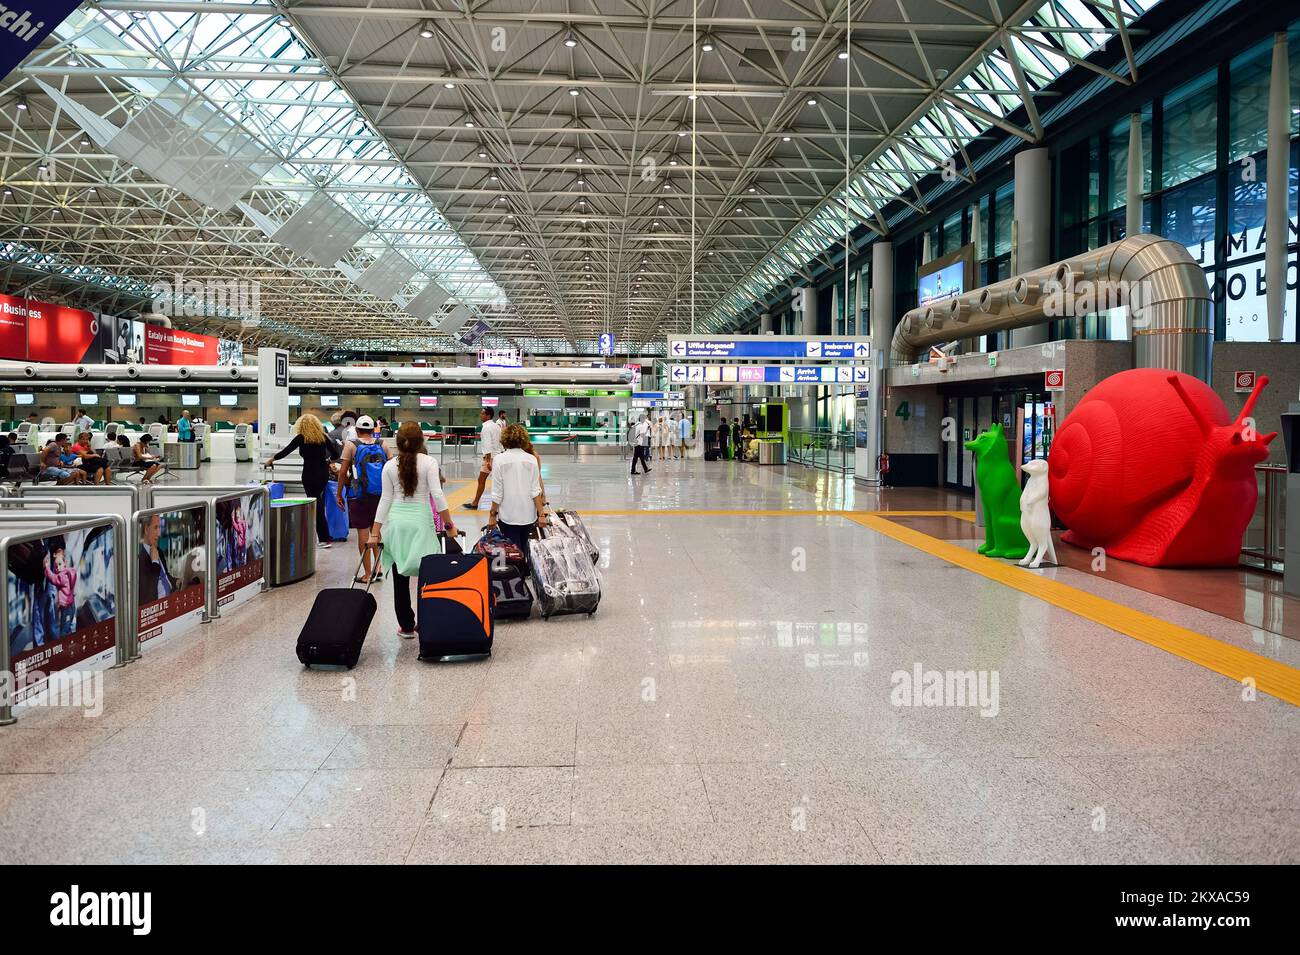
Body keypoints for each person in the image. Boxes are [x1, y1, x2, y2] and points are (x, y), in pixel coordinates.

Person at [371, 422, 457, 639]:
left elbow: (385, 500)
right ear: (422, 441)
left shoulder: (389, 465)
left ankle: (407, 626)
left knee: (400, 575)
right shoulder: (429, 462)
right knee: (426, 573)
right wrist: (449, 526)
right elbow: (437, 496)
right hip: (421, 521)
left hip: (397, 523)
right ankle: (427, 621)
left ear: (398, 442)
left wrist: (374, 532)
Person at [265, 413, 339, 549]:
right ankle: (324, 536)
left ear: (301, 425)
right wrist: (328, 462)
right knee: (319, 502)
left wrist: (272, 459)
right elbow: (336, 454)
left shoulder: (301, 438)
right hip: (323, 472)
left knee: (315, 504)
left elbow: (285, 451)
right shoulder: (322, 437)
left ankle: (324, 538)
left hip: (309, 473)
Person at [335, 415, 389, 583]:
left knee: (363, 533)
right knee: (376, 530)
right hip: (379, 494)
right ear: (373, 429)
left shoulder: (351, 445)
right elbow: (391, 468)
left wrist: (339, 493)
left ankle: (367, 574)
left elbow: (343, 472)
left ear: (357, 430)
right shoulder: (382, 444)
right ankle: (378, 567)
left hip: (358, 495)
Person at [487, 423, 548, 556]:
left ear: (505, 440)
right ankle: (524, 572)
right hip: (528, 515)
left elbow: (497, 492)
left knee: (512, 551)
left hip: (508, 515)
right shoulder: (531, 459)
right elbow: (535, 490)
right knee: (523, 547)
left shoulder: (499, 460)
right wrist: (541, 515)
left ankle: (516, 574)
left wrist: (492, 515)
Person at [465, 407, 503, 510]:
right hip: (498, 456)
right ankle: (476, 503)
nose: (480, 415)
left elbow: (487, 446)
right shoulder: (496, 426)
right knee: (499, 481)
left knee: (482, 480)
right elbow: (500, 442)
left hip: (490, 458)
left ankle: (475, 503)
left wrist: (487, 461)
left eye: (482, 414)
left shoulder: (486, 428)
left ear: (488, 416)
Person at [138, 512, 174, 605]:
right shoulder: (140, 559)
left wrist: (176, 581)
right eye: (155, 528)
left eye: (159, 528)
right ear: (146, 529)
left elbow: (165, 576)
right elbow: (148, 596)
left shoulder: (159, 551)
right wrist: (154, 562)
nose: (159, 534)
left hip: (172, 597)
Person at [42, 543, 78, 638]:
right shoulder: (69, 573)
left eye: (60, 564)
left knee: (64, 630)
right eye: (56, 566)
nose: (58, 567)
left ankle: (65, 647)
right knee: (67, 627)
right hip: (69, 606)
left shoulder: (63, 576)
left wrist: (46, 567)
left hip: (67, 607)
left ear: (65, 562)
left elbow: (53, 578)